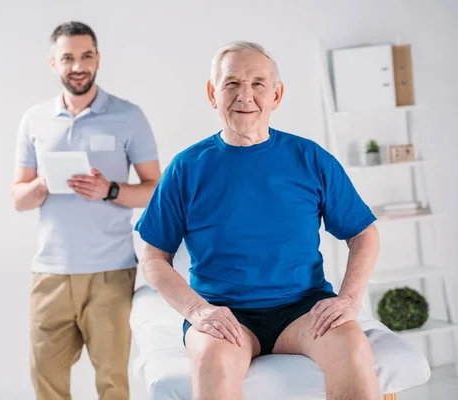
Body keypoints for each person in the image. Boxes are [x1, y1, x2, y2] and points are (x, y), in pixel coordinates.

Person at [135, 41, 381, 400]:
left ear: (277, 95)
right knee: (213, 361)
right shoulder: (187, 168)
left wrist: (349, 299)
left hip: (303, 307)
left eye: (258, 84)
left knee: (352, 346)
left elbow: (364, 233)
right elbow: (152, 256)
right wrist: (197, 310)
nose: (244, 95)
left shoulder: (310, 158)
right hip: (223, 312)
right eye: (231, 83)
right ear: (212, 93)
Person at [12, 21, 160, 400]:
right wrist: (44, 184)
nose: (77, 66)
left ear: (98, 59)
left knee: (113, 383)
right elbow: (18, 198)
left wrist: (108, 189)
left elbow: (156, 189)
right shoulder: (34, 120)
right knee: (46, 382)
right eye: (68, 58)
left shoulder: (129, 115)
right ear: (53, 63)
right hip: (50, 273)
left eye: (86, 56)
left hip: (110, 272)